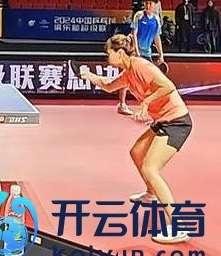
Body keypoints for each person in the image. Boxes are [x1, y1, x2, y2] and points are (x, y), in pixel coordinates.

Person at [78, 34, 192, 244]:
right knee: (137, 152)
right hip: (162, 121)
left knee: (151, 169)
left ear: (120, 52)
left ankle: (179, 226)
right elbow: (108, 86)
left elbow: (168, 86)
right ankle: (151, 193)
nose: (106, 58)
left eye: (108, 53)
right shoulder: (128, 73)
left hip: (177, 122)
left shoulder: (140, 65)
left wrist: (146, 103)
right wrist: (90, 76)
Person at [130, 0, 164, 65]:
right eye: (146, 3)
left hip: (147, 53)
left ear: (155, 5)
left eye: (150, 3)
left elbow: (157, 37)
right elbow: (134, 34)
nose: (148, 6)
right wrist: (136, 51)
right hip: (135, 52)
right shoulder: (139, 15)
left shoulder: (156, 19)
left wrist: (161, 54)